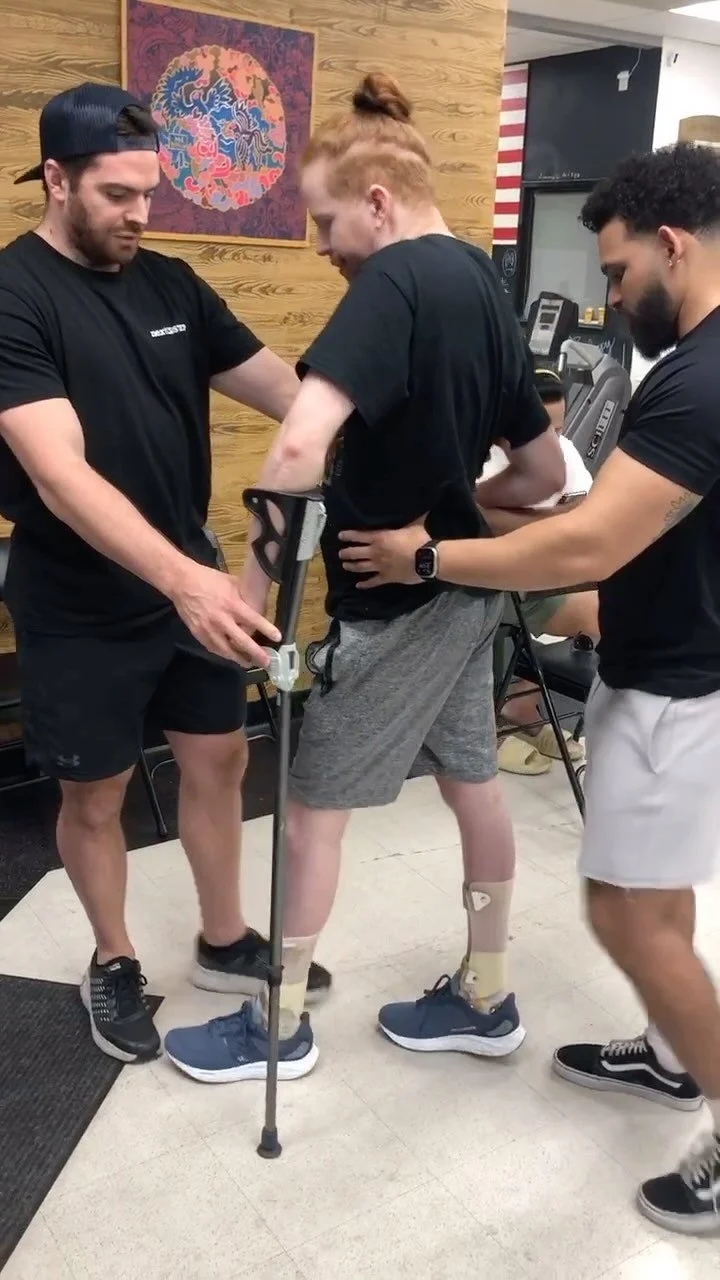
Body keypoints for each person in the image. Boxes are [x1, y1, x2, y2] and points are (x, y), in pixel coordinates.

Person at [339, 142, 720, 1236]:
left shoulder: (696, 380)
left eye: (618, 272)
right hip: (668, 664)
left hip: (679, 691)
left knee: (623, 911)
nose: (613, 296)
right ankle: (671, 1053)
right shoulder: (696, 368)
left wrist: (428, 554)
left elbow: (590, 540)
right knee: (655, 893)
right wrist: (491, 517)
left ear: (673, 246)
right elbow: (622, 527)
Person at [163, 72, 565, 1083]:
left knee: (311, 814)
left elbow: (299, 448)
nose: (319, 245)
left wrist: (247, 599)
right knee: (474, 784)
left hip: (397, 609)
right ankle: (486, 992)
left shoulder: (394, 280)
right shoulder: (481, 281)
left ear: (377, 204)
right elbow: (542, 473)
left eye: (324, 221)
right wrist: (453, 518)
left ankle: (280, 1023)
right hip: (466, 596)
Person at [0, 81, 331, 1064]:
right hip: (80, 601)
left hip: (192, 584)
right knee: (96, 793)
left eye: (149, 191)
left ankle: (223, 936)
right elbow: (59, 476)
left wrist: (393, 403)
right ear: (56, 180)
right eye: (117, 193)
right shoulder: (15, 295)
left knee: (220, 759)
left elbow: (287, 391)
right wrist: (185, 581)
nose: (140, 212)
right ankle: (113, 955)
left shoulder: (174, 285)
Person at [480, 366, 597, 775]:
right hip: (485, 584)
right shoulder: (482, 455)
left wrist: (528, 524)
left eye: (559, 430)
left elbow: (586, 514)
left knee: (608, 610)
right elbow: (480, 522)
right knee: (481, 615)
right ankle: (488, 730)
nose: (555, 441)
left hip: (540, 578)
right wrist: (558, 522)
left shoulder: (563, 449)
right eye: (544, 431)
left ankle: (521, 708)